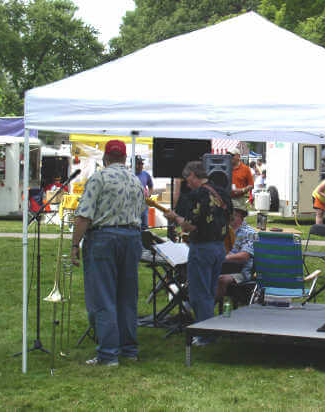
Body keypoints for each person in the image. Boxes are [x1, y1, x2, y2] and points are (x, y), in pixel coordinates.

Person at [71, 140, 146, 366]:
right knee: (127, 296)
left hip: (104, 238)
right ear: (124, 158)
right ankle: (129, 349)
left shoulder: (99, 178)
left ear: (105, 157)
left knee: (103, 296)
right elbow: (142, 211)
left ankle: (108, 354)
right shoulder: (136, 181)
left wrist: (75, 244)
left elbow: (84, 216)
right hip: (132, 238)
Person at [164, 161, 232, 346]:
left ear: (194, 175)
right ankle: (211, 330)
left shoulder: (198, 195)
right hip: (219, 247)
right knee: (210, 292)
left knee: (198, 294)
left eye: (187, 179)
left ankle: (205, 334)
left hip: (202, 247)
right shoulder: (222, 191)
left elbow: (190, 225)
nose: (187, 184)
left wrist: (174, 217)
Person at [216, 207, 256, 301]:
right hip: (221, 267)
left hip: (241, 272)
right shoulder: (223, 230)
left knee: (221, 279)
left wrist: (222, 258)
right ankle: (188, 307)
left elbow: (244, 256)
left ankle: (206, 311)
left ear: (239, 214)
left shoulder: (250, 233)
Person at [135, 155, 153, 230]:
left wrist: (149, 194)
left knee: (144, 224)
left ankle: (145, 239)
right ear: (133, 164)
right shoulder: (129, 174)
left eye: (142, 164)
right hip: (134, 204)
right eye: (139, 163)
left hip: (144, 204)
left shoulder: (146, 174)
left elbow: (150, 185)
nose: (141, 165)